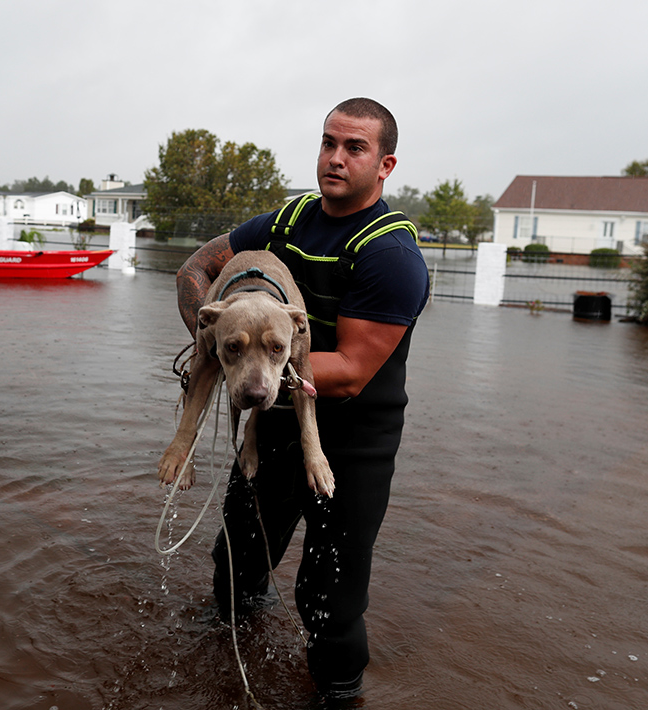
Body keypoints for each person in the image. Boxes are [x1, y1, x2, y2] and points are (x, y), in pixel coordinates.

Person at [174, 97, 430, 699]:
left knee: (329, 600)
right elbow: (195, 269)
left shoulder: (391, 254)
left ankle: (338, 694)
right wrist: (220, 347)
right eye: (327, 142)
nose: (335, 158)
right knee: (234, 566)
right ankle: (226, 675)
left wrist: (249, 371)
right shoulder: (285, 222)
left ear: (385, 165)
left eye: (355, 148)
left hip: (353, 438)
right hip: (272, 419)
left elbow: (350, 371)